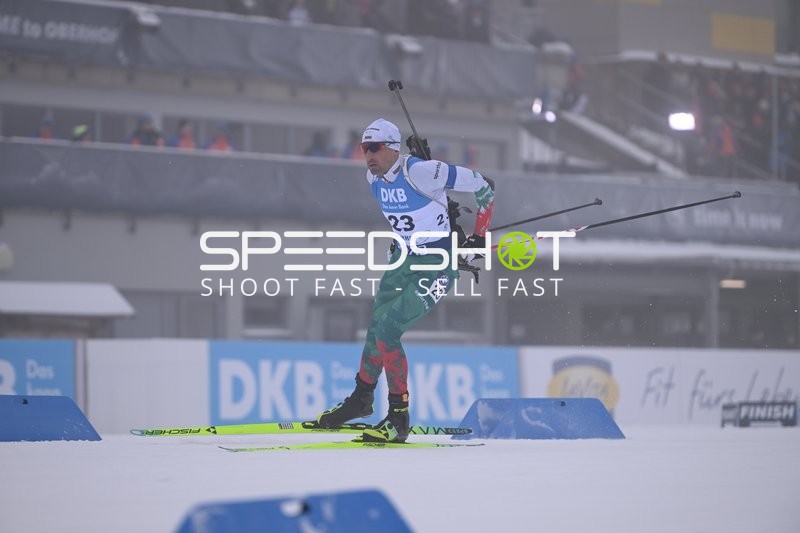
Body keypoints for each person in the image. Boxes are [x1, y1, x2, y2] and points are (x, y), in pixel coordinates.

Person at [316, 118, 495, 442]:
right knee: (376, 329)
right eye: (364, 148)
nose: (368, 154)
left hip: (438, 264)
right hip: (403, 260)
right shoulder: (373, 176)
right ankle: (361, 399)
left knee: (388, 331)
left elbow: (485, 187)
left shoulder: (423, 171)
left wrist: (479, 238)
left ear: (393, 149)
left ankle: (399, 417)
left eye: (375, 148)